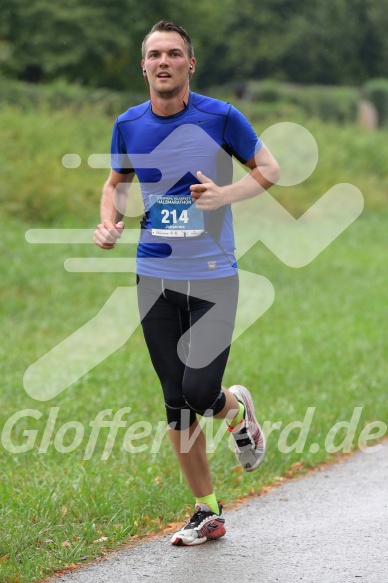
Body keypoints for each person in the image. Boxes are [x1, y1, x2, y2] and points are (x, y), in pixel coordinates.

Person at [93, 20, 280, 546]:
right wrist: (110, 221)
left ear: (189, 64)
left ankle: (236, 410)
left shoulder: (220, 116)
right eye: (155, 54)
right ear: (144, 65)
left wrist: (226, 195)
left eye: (174, 53)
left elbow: (270, 167)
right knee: (175, 401)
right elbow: (116, 183)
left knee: (200, 391)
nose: (164, 62)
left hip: (215, 277)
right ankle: (207, 510)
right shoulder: (129, 123)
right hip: (153, 276)